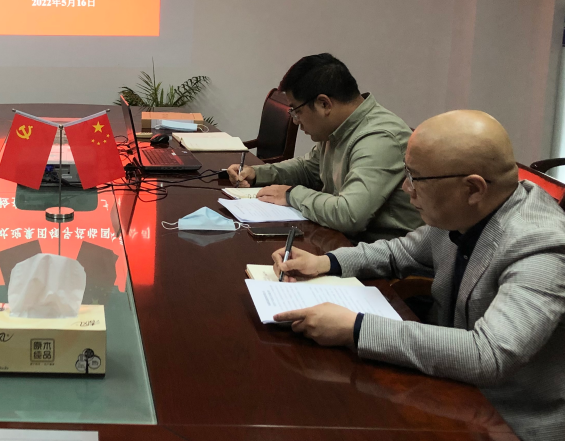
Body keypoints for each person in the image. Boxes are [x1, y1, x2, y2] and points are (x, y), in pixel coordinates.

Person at [271, 111, 565, 441]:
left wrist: (355, 328)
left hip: (508, 420)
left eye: (415, 178)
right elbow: (400, 252)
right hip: (449, 387)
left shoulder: (540, 244)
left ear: (472, 188)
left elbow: (490, 355)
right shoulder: (469, 210)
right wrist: (326, 263)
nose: (406, 188)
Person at [227, 53, 419, 242]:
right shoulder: (339, 127)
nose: (296, 121)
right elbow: (307, 169)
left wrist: (291, 194)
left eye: (297, 111)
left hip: (382, 254)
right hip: (341, 240)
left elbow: (350, 215)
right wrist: (257, 174)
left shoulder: (380, 138)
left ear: (324, 104)